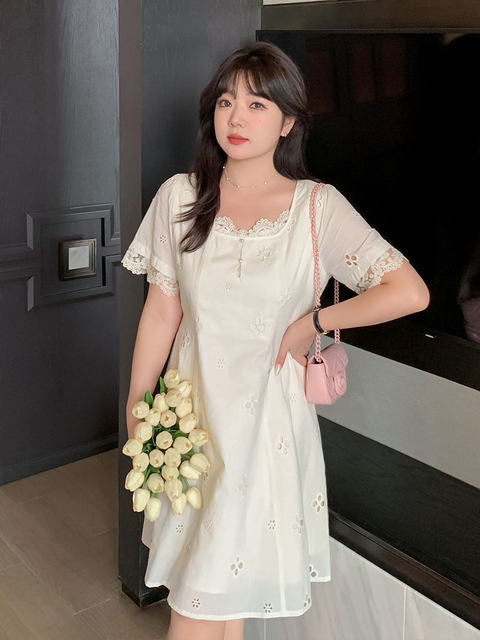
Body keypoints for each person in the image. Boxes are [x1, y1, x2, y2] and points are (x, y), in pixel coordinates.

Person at [121, 41, 430, 640]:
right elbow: (161, 311)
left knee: (202, 603)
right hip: (189, 422)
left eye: (257, 104)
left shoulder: (316, 208)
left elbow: (408, 291)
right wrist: (138, 402)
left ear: (288, 122)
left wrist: (313, 324)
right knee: (215, 599)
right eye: (226, 102)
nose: (236, 117)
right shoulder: (180, 196)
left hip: (265, 431)